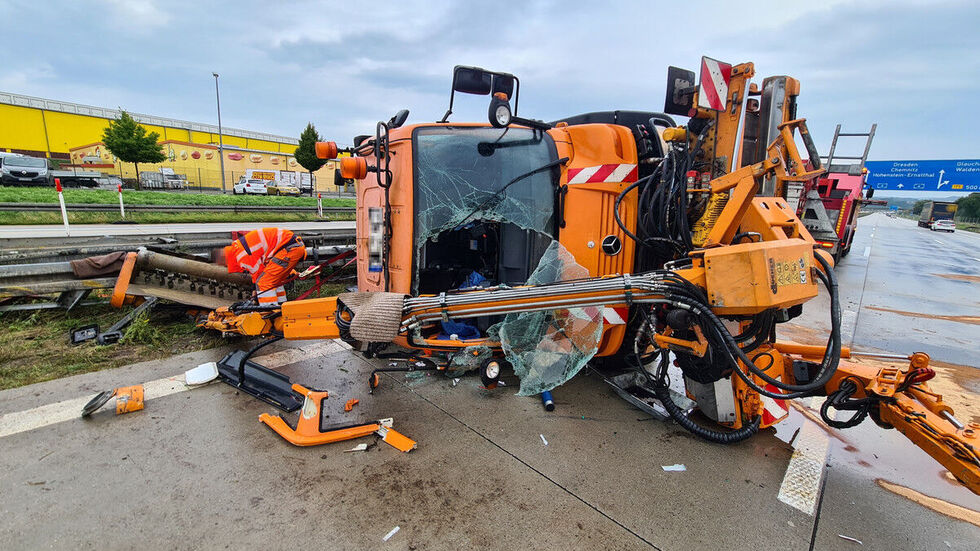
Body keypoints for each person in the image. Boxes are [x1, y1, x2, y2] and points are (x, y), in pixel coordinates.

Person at [220, 228, 307, 306]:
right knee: (274, 281)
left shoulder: (241, 257)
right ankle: (281, 306)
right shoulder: (238, 248)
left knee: (264, 283)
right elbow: (267, 267)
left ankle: (269, 312)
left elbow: (259, 274)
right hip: (291, 247)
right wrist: (292, 273)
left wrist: (255, 293)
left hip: (289, 249)